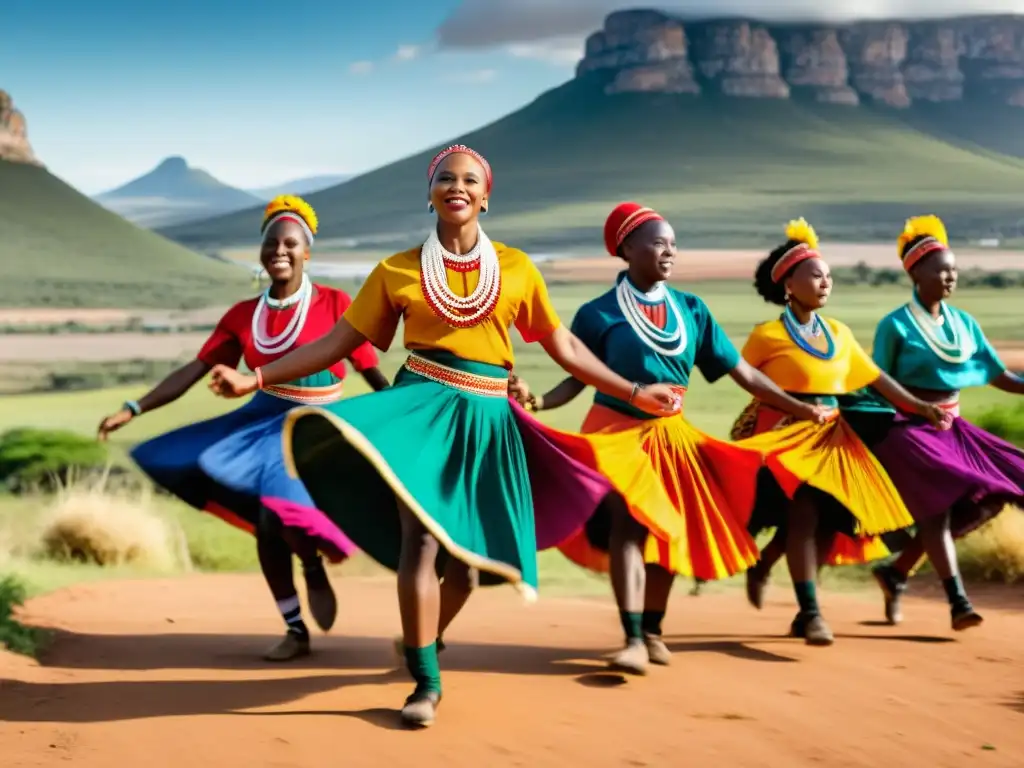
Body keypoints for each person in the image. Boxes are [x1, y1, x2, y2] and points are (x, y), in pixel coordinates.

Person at [205, 145, 684, 728]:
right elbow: (334, 345)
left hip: (487, 419)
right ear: (430, 191)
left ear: (486, 196)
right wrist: (254, 375)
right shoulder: (397, 271)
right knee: (423, 547)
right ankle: (425, 682)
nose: (457, 186)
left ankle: (420, 642)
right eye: (445, 179)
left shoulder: (516, 268)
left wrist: (633, 392)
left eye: (470, 180)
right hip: (423, 411)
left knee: (464, 566)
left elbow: (566, 348)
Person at [506, 202, 828, 675]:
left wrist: (800, 408)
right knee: (630, 525)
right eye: (658, 242)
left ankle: (652, 629)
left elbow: (743, 373)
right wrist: (537, 403)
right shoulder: (597, 314)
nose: (669, 252)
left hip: (673, 438)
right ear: (627, 248)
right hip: (616, 434)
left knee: (670, 531)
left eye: (673, 245)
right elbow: (576, 377)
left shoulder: (691, 310)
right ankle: (633, 637)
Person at [97, 195, 389, 661]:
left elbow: (374, 375)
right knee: (267, 523)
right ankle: (295, 628)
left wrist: (408, 418)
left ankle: (311, 562)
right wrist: (134, 407)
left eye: (290, 243)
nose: (279, 251)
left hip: (317, 427)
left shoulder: (337, 304)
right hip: (260, 423)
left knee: (281, 512)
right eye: (271, 243)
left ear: (307, 253)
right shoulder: (241, 315)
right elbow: (194, 371)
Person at [730, 218, 950, 645]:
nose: (826, 283)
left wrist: (921, 406)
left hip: (834, 438)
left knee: (828, 525)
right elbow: (746, 378)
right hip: (784, 437)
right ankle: (811, 613)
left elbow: (876, 378)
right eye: (816, 275)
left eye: (829, 277)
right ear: (789, 284)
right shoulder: (766, 336)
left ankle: (770, 571)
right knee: (804, 513)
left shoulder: (839, 333)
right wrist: (789, 408)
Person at [860, 215, 1024, 628]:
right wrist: (916, 408)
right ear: (915, 271)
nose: (950, 276)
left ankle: (896, 572)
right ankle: (959, 603)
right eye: (941, 268)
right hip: (907, 429)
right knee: (938, 508)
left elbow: (997, 374)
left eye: (954, 269)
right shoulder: (894, 325)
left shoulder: (964, 323)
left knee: (999, 485)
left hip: (952, 426)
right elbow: (877, 382)